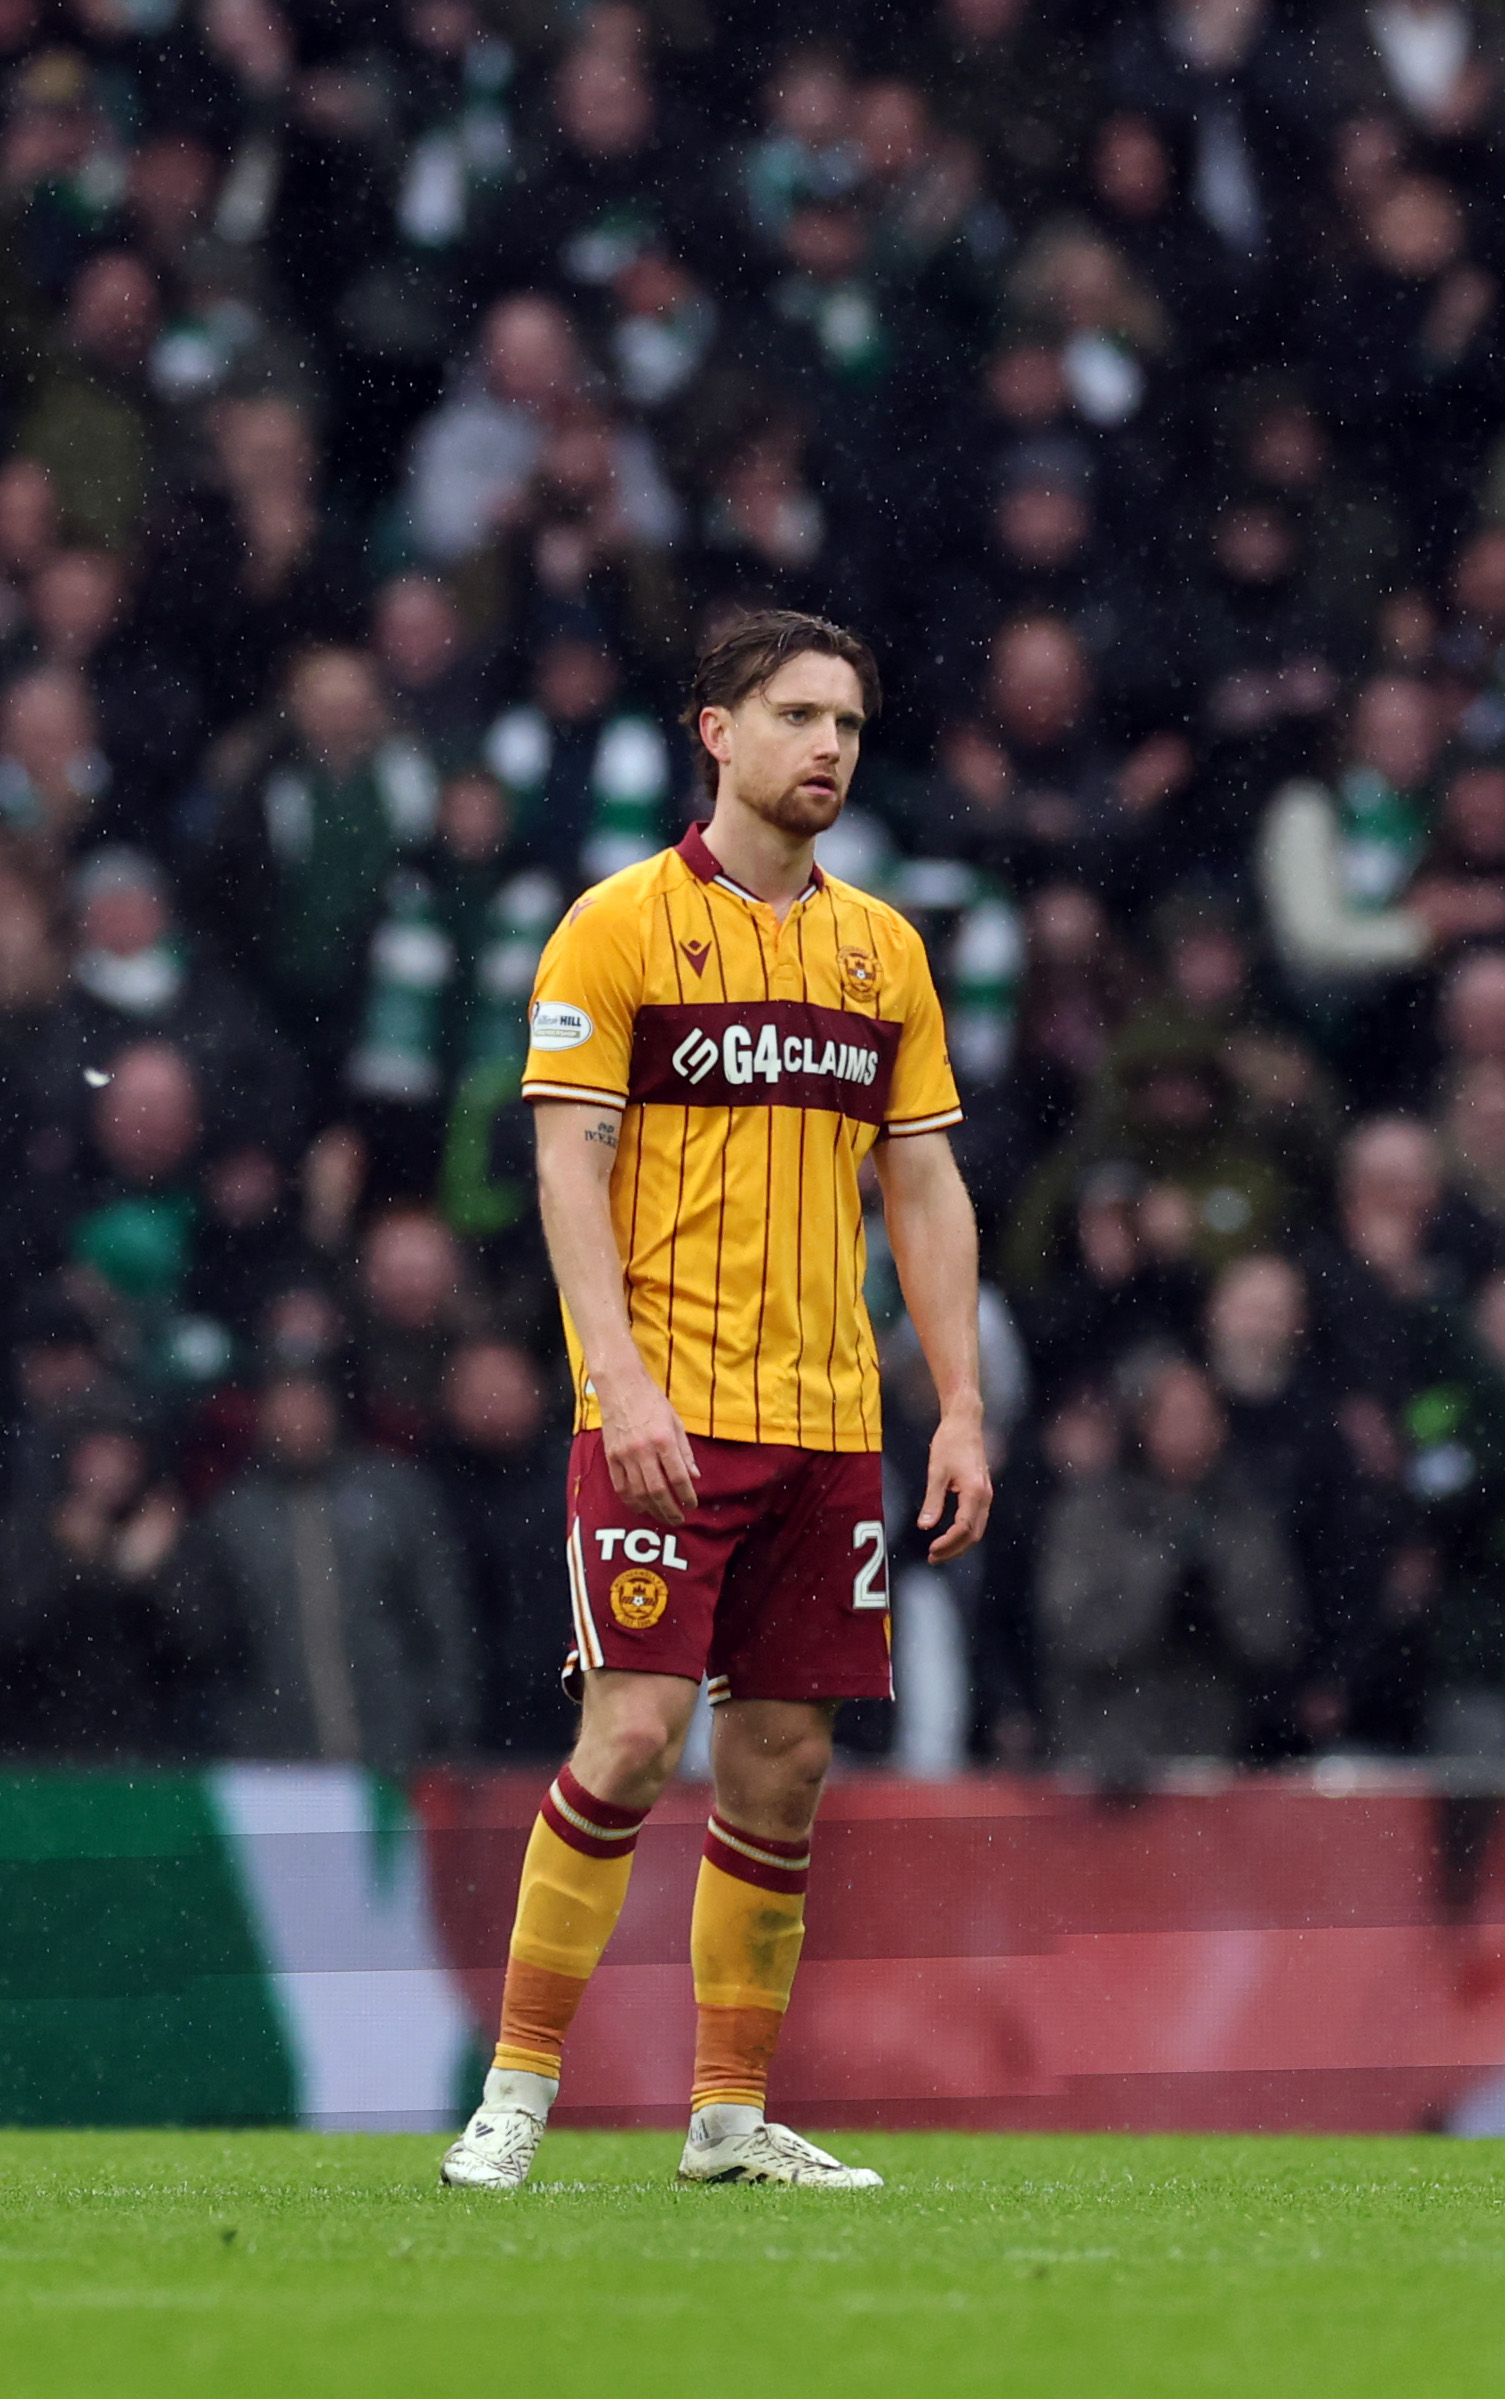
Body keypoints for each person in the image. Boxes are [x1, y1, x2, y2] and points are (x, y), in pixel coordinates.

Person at [442, 611, 993, 2194]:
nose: (827, 747)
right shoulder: (612, 927)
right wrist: (614, 1383)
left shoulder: (881, 951)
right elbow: (567, 1167)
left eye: (848, 724)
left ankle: (727, 2118)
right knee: (628, 1739)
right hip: (664, 1416)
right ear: (715, 733)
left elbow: (921, 1182)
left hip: (827, 1423)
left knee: (783, 1766)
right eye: (797, 716)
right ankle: (516, 2094)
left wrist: (958, 1405)